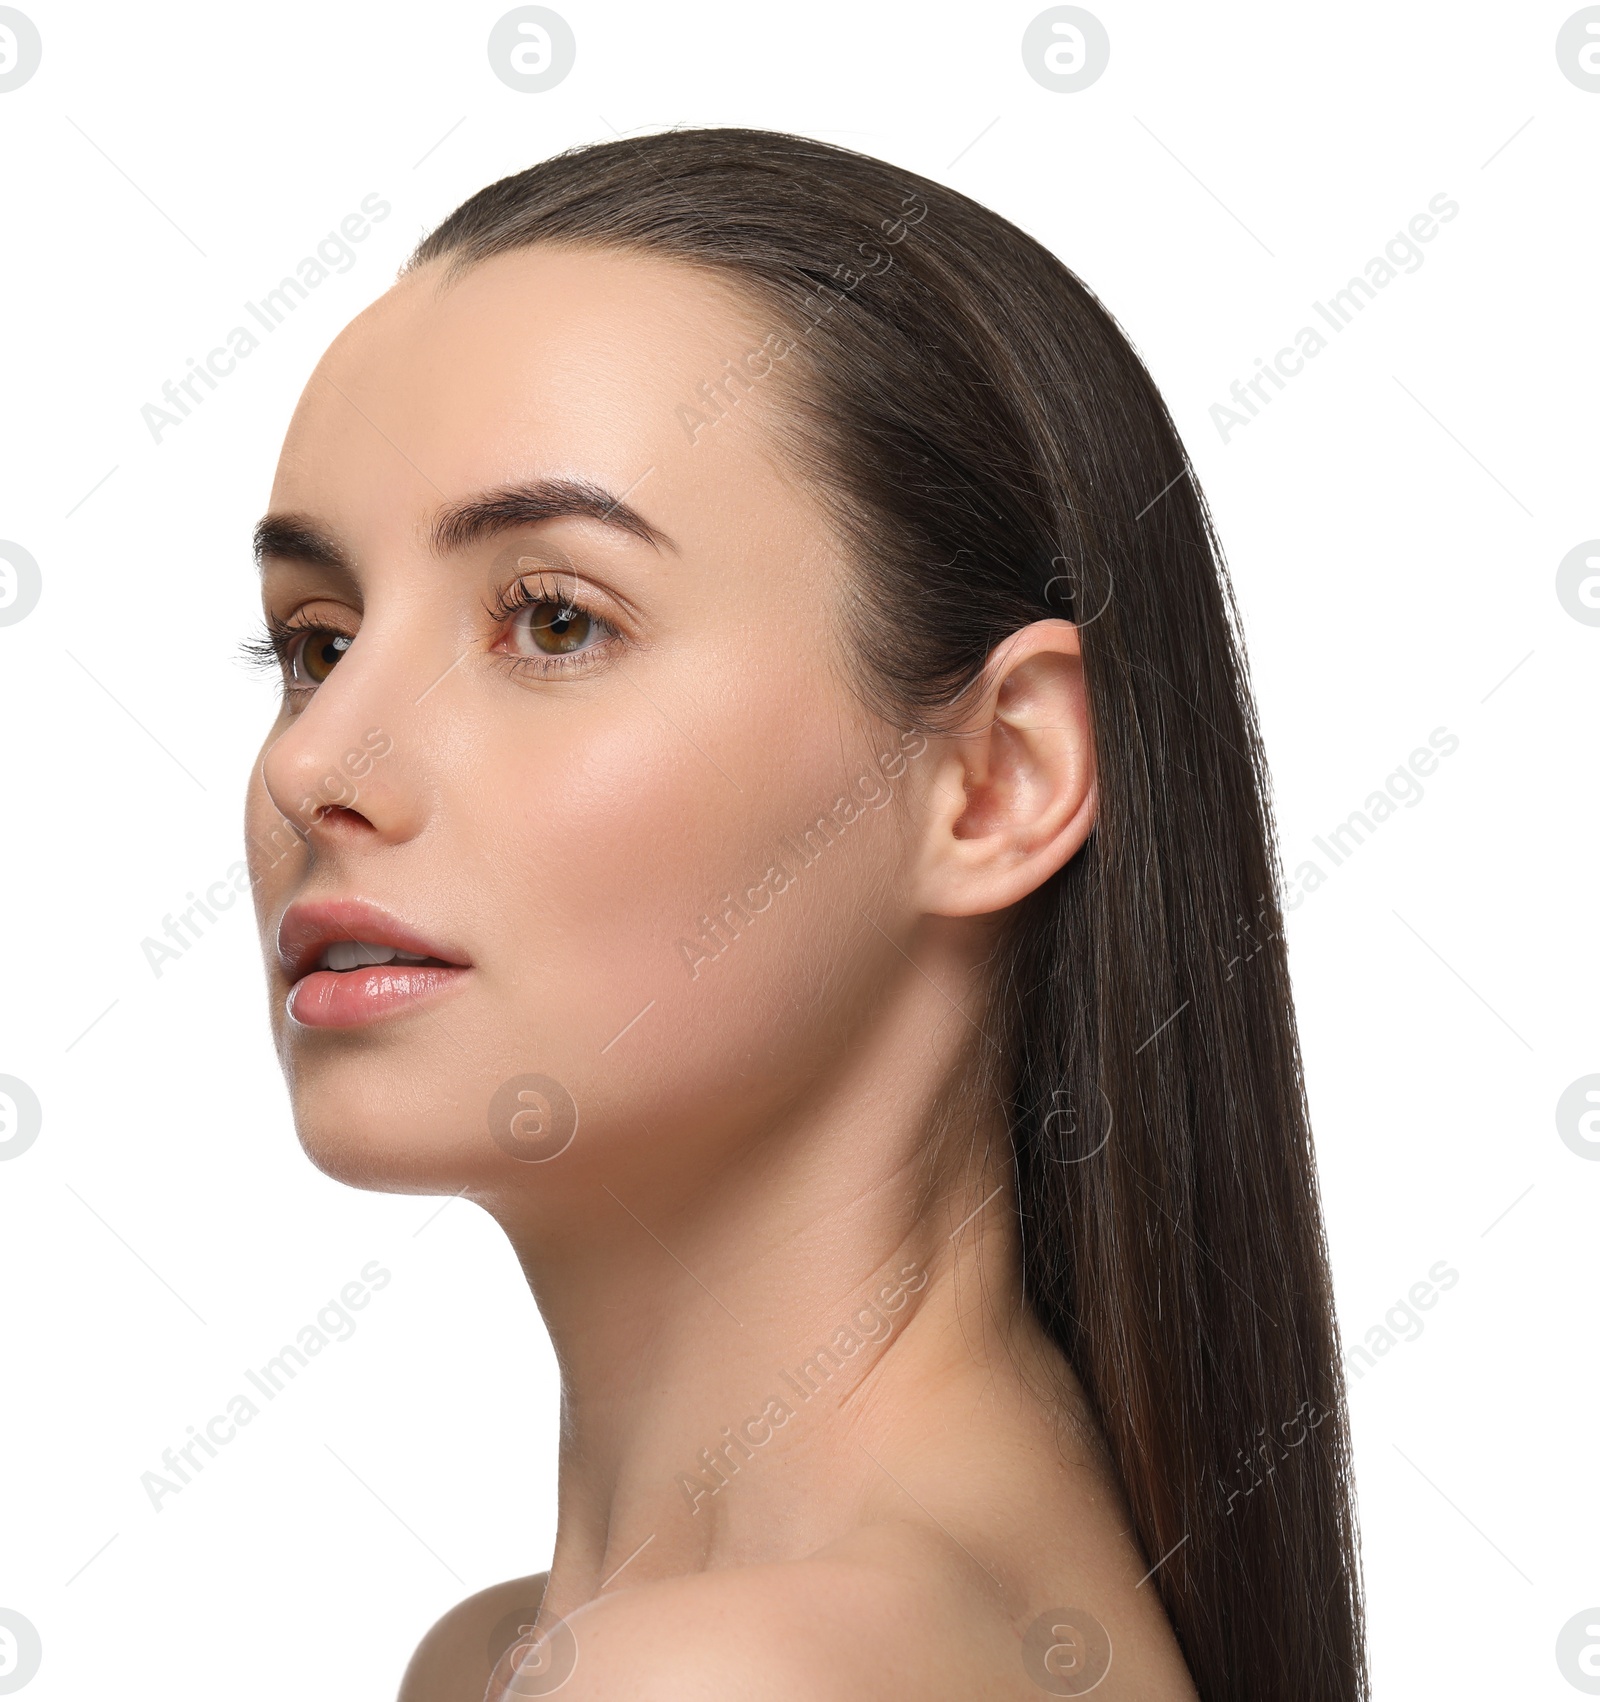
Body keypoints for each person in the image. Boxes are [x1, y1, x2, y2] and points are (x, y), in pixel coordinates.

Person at [245, 128, 1366, 1700]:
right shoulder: (550, 1652)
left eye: (553, 619)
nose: (313, 762)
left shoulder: (724, 1671)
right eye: (316, 638)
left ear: (997, 777)